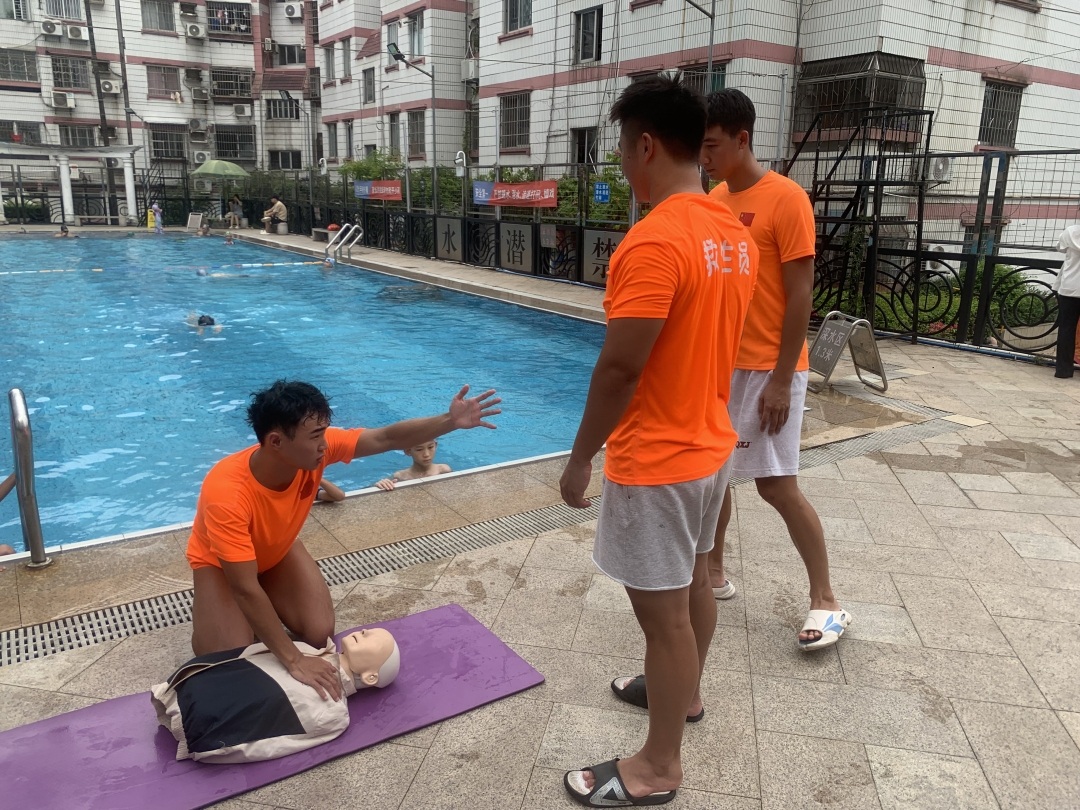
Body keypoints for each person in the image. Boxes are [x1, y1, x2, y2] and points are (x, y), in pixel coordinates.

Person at [558, 74, 757, 807]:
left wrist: (581, 456)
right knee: (696, 581)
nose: (620, 163)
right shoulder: (733, 236)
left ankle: (659, 766)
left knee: (663, 616)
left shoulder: (654, 241)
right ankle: (685, 693)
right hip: (710, 447)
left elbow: (621, 368)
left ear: (645, 145)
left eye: (620, 147)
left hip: (660, 460)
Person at [185, 380, 500, 701]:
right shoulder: (227, 492)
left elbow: (386, 437)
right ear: (276, 441)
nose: (325, 445)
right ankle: (217, 607)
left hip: (277, 550)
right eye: (315, 436)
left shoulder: (314, 451)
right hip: (222, 567)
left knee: (318, 632)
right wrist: (294, 659)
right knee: (228, 657)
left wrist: (450, 421)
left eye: (324, 432)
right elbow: (244, 587)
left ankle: (266, 597)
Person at [700, 88, 851, 650]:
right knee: (712, 474)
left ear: (743, 139)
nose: (704, 157)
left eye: (713, 145)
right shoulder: (714, 199)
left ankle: (827, 600)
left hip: (770, 367)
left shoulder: (787, 198)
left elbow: (800, 294)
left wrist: (784, 379)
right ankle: (713, 574)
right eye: (699, 147)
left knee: (776, 485)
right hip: (722, 363)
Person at [1053, 219, 1080, 378]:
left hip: (1070, 288)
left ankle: (1063, 370)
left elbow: (1060, 248)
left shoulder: (1071, 231)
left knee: (1066, 329)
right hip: (1070, 288)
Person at [374, 439, 451, 491]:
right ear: (408, 451)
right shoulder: (400, 476)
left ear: (436, 446)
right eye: (419, 449)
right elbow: (374, 488)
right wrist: (381, 484)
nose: (426, 454)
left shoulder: (443, 470)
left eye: (430, 447)